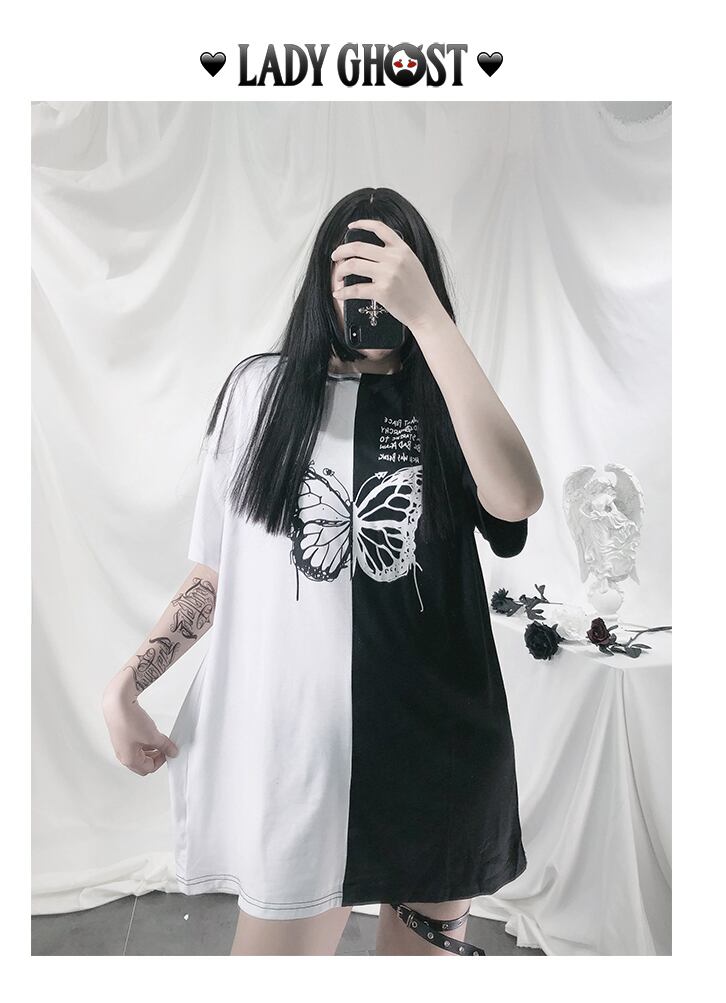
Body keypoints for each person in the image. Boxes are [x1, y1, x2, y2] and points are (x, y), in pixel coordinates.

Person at [102, 187, 544, 956]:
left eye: (390, 278)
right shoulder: (259, 396)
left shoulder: (449, 395)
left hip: (439, 759)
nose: (372, 301)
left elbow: (517, 498)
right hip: (302, 768)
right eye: (355, 278)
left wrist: (429, 320)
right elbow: (217, 575)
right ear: (323, 282)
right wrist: (127, 683)